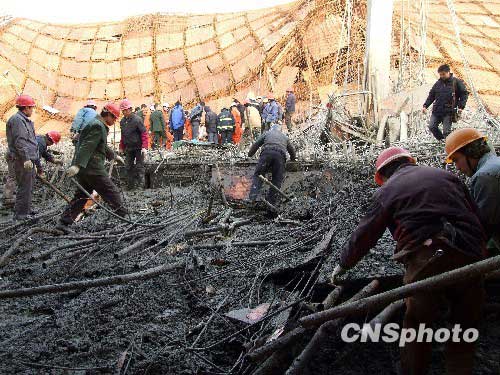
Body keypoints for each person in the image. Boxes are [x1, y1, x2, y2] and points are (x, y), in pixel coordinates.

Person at [331, 146, 486, 375]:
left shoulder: (388, 190)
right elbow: (476, 215)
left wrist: (343, 265)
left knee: (417, 325)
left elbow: (365, 235)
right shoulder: (447, 176)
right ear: (409, 162)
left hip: (428, 257)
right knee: (464, 325)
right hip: (471, 254)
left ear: (382, 175)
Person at [59, 103, 126, 226]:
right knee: (112, 191)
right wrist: (77, 165)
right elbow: (87, 145)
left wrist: (114, 156)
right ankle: (124, 218)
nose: (115, 120)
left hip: (86, 169)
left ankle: (64, 223)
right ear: (108, 115)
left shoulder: (97, 124)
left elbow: (101, 146)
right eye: (114, 118)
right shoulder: (97, 125)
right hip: (92, 168)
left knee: (81, 196)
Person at [445, 128, 500, 255]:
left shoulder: (485, 176)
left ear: (470, 152)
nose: (457, 167)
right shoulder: (495, 164)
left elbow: (483, 227)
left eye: (456, 160)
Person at [5, 95, 38, 220]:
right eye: (31, 108)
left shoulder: (24, 120)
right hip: (21, 160)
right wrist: (26, 159)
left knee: (28, 186)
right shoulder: (18, 120)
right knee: (24, 187)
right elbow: (20, 141)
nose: (32, 110)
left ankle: (26, 209)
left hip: (27, 159)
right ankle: (21, 215)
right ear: (25, 108)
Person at [248, 123, 296, 206]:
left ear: (271, 129)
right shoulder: (285, 137)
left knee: (258, 175)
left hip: (266, 154)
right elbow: (292, 150)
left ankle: (252, 198)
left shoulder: (267, 133)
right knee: (277, 179)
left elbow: (256, 144)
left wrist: (250, 154)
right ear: (280, 130)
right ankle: (271, 202)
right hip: (280, 157)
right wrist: (292, 159)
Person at [422, 64, 469, 140]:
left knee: (446, 132)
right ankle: (442, 141)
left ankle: (447, 146)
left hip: (449, 111)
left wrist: (461, 106)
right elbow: (431, 95)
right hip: (437, 111)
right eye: (440, 74)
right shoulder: (438, 84)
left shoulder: (456, 82)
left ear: (448, 72)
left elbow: (464, 94)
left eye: (443, 74)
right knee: (432, 126)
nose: (442, 76)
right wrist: (425, 106)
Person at [119, 99, 148, 190]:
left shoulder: (137, 120)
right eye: (123, 110)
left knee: (140, 166)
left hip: (138, 147)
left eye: (125, 110)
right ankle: (130, 185)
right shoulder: (122, 122)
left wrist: (144, 147)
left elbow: (144, 133)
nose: (124, 112)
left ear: (130, 109)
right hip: (129, 147)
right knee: (128, 166)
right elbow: (123, 135)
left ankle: (141, 186)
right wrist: (121, 147)